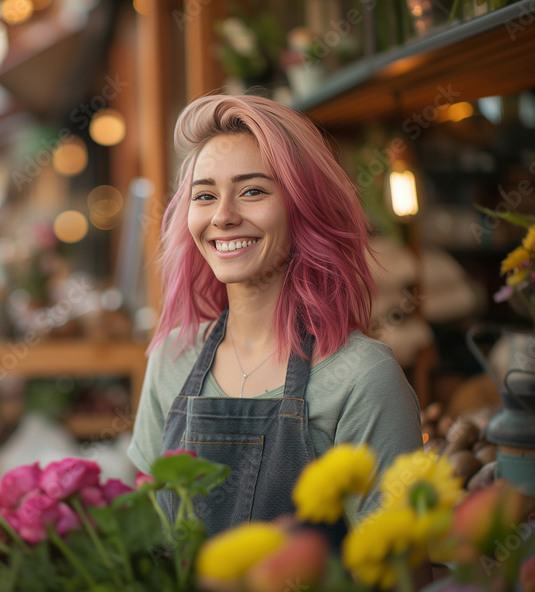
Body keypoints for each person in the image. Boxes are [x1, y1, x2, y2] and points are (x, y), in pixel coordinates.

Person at [126, 95, 424, 546]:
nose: (223, 216)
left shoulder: (362, 378)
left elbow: (401, 571)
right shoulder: (173, 358)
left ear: (303, 208)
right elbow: (147, 542)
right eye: (205, 195)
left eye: (252, 191)